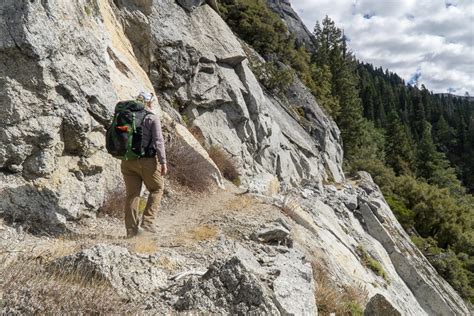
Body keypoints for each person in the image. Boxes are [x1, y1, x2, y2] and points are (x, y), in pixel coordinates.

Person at [121, 92, 167, 238]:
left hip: (127, 161)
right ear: (149, 103)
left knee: (132, 195)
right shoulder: (152, 118)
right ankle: (147, 223)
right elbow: (158, 141)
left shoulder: (126, 117)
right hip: (146, 161)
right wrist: (163, 162)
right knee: (157, 188)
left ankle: (131, 231)